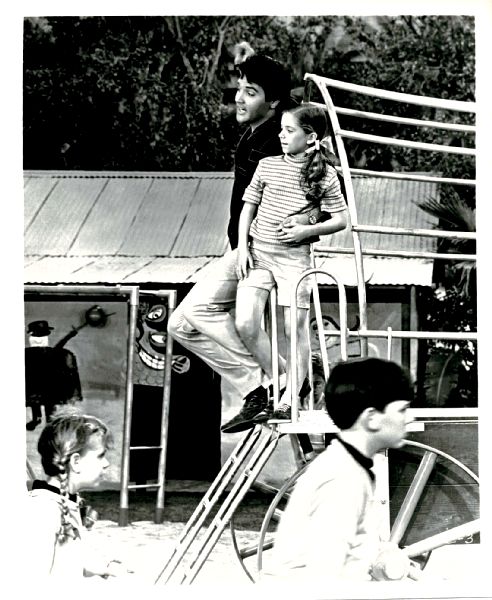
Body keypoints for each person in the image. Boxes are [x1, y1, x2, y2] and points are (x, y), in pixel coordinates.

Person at [168, 54, 300, 434]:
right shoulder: (254, 133)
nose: (240, 98)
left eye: (251, 92)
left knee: (199, 311)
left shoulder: (277, 139)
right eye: (239, 89)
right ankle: (258, 387)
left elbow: (295, 191)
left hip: (260, 248)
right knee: (180, 324)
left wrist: (258, 242)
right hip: (241, 246)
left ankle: (283, 380)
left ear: (272, 102)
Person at [262, 357, 420, 585]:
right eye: (403, 410)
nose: (410, 417)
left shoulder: (347, 465)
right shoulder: (343, 479)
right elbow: (324, 580)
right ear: (372, 418)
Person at [235, 103, 347, 422]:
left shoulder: (324, 173)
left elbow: (341, 220)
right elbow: (248, 209)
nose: (282, 136)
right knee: (245, 322)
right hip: (258, 255)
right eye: (281, 130)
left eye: (289, 131)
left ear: (310, 136)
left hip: (294, 259)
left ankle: (289, 399)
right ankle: (287, 380)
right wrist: (243, 247)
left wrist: (306, 230)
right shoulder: (268, 165)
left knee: (292, 328)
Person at [26, 408, 131, 580]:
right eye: (100, 456)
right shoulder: (44, 511)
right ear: (75, 462)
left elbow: (67, 562)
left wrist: (103, 567)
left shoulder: (64, 502)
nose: (106, 464)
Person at [25, 319, 83, 431]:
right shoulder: (53, 352)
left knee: (36, 399)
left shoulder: (29, 353)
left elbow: (61, 343)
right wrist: (71, 334)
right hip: (47, 387)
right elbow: (61, 343)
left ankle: (37, 418)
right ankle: (48, 421)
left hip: (36, 386)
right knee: (48, 402)